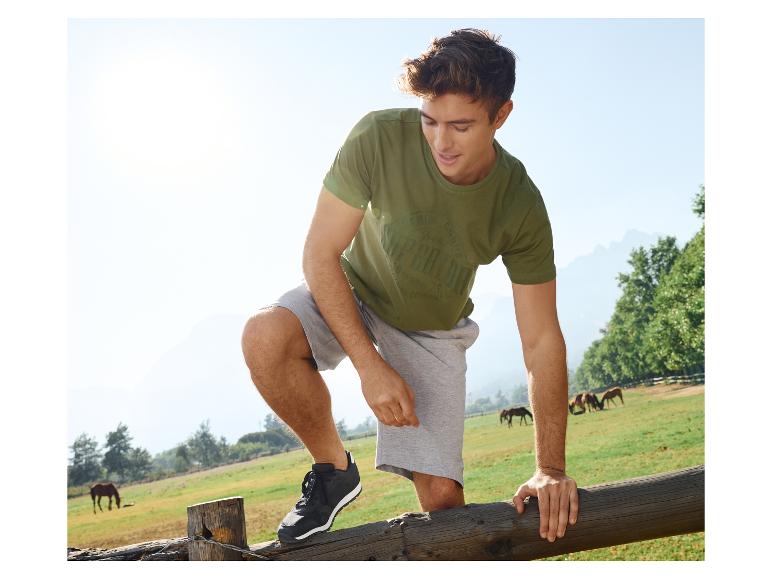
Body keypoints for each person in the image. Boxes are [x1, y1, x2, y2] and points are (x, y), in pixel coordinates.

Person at [241, 28, 579, 546]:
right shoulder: (377, 136)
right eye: (429, 120)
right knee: (264, 334)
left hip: (431, 328)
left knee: (443, 501)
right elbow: (318, 253)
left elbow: (540, 340)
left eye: (461, 126)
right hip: (352, 289)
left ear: (501, 115)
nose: (441, 141)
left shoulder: (520, 203)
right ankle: (333, 471)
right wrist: (369, 365)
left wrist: (550, 467)